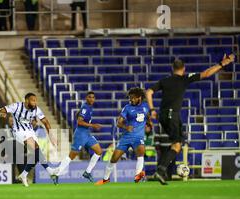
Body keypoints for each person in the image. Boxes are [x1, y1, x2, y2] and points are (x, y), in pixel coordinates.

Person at [146, 54, 235, 185]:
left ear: (172, 68)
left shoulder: (164, 81)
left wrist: (152, 109)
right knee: (177, 145)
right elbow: (206, 74)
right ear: (184, 69)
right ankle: (160, 171)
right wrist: (222, 64)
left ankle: (160, 170)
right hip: (172, 114)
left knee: (174, 144)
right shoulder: (184, 79)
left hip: (162, 115)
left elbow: (148, 92)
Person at [0, 92, 58, 187]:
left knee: (36, 155)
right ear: (26, 100)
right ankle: (50, 171)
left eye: (35, 100)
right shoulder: (16, 106)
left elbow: (45, 121)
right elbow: (1, 110)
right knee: (35, 147)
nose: (35, 102)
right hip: (18, 132)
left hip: (30, 132)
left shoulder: (36, 109)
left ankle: (24, 175)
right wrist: (0, 113)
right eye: (33, 100)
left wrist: (51, 135)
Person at [96, 88, 152, 185]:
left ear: (139, 97)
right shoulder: (127, 108)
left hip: (138, 137)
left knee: (141, 152)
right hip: (126, 137)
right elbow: (119, 123)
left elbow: (147, 117)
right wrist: (126, 127)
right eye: (130, 98)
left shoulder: (146, 106)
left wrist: (149, 124)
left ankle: (137, 177)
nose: (131, 100)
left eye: (133, 98)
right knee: (114, 158)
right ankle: (105, 179)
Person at [54, 91, 103, 182]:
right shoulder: (85, 107)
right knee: (71, 156)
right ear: (86, 98)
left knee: (99, 151)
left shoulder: (88, 107)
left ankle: (87, 172)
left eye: (93, 97)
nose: (92, 98)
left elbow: (80, 115)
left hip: (87, 134)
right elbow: (79, 122)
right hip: (80, 134)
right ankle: (57, 173)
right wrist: (93, 125)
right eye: (89, 97)